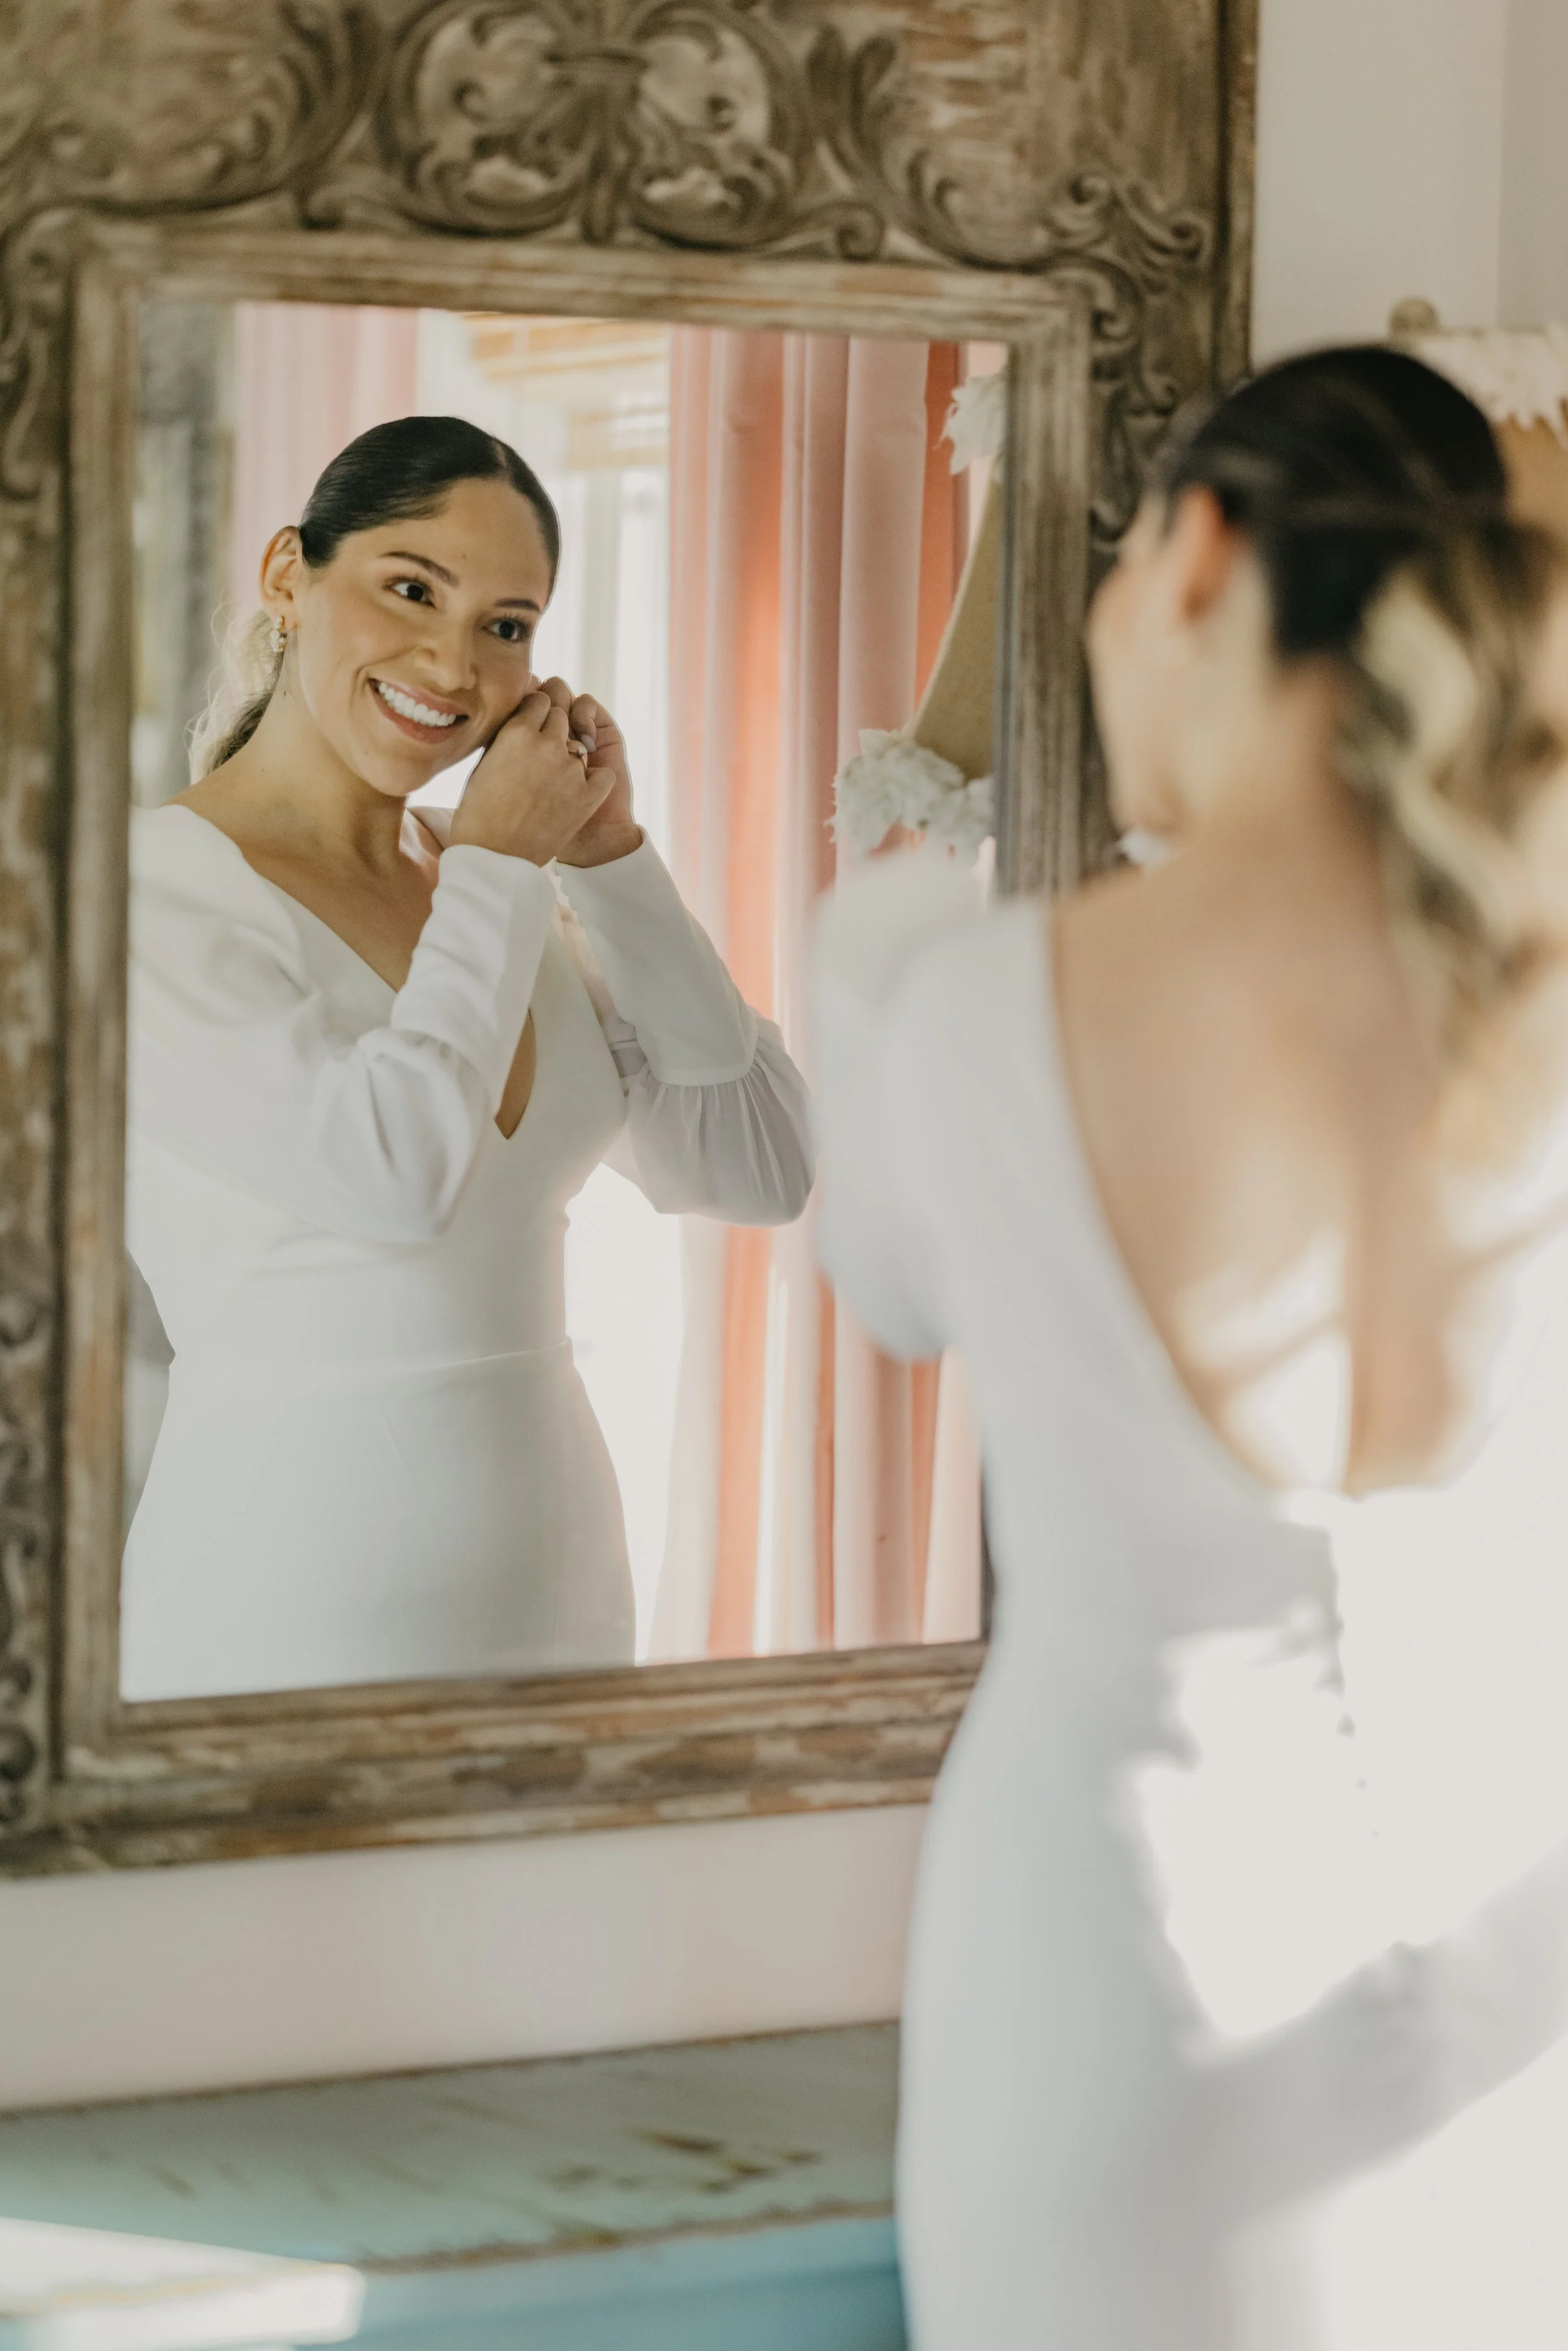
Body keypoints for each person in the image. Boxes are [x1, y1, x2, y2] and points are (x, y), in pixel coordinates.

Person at [814, 348, 1568, 2347]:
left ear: (1197, 556)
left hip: (1117, 1989)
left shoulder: (952, 1000)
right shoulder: (1539, 1010)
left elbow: (880, 1283)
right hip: (1513, 2015)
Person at [122, 415, 813, 1699]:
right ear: (289, 575)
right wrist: (500, 864)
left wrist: (610, 860)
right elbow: (390, 1173)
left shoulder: (487, 879)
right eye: (409, 588)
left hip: (556, 1583)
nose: (454, 660)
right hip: (279, 1593)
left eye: (506, 623)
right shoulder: (148, 893)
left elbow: (757, 1168)